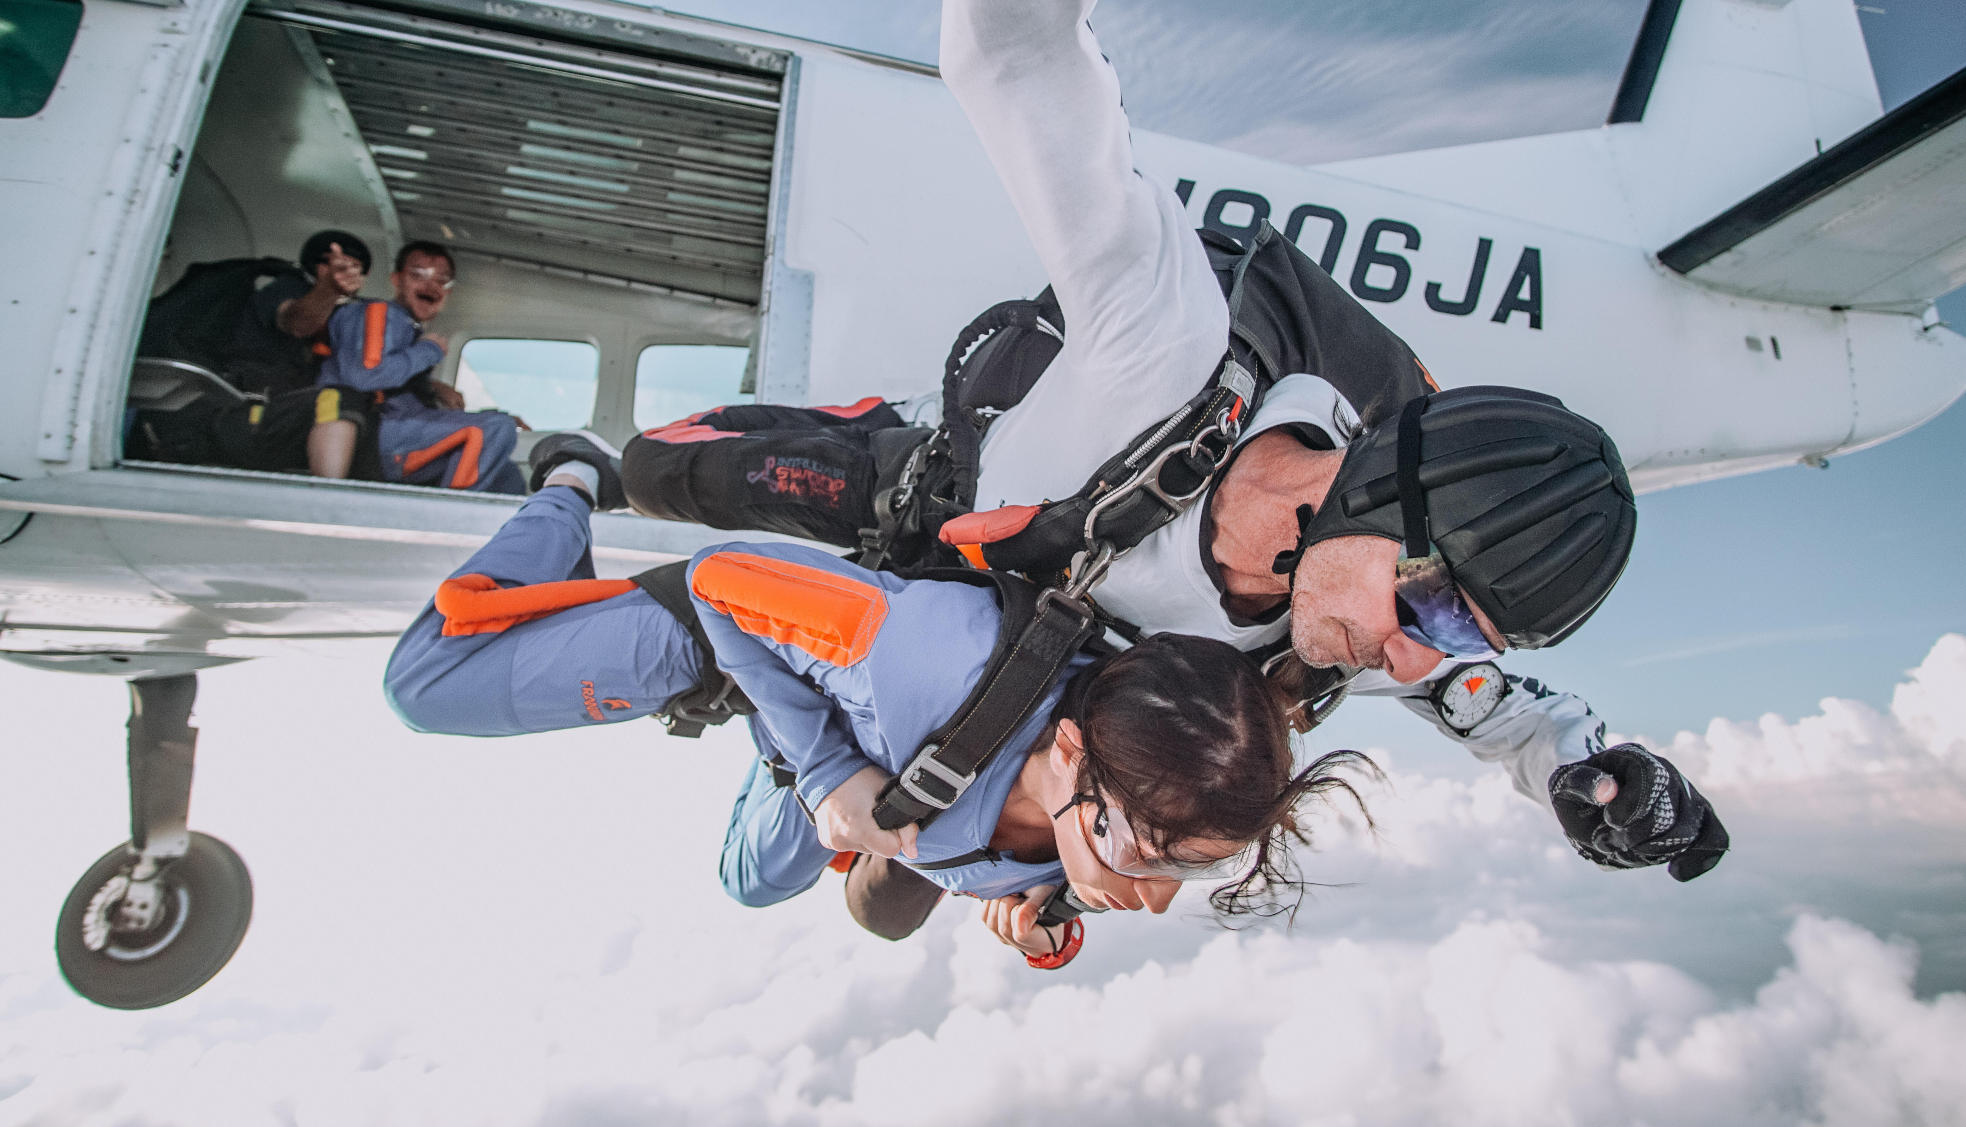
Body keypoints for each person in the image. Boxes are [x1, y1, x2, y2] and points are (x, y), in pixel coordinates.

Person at [615, 0, 1727, 898]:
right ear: (1391, 501)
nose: (1406, 664)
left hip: (952, 676)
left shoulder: (1347, 615)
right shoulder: (1170, 349)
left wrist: (1590, 776)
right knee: (651, 471)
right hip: (915, 503)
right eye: (1432, 616)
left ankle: (782, 726)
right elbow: (1012, 54)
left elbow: (1503, 706)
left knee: (818, 880)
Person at [382, 443, 1371, 963]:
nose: (1149, 897)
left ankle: (786, 734)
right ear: (1066, 754)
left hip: (848, 727)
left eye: (1191, 869)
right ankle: (568, 483)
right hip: (730, 634)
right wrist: (825, 767)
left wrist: (1044, 925)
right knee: (425, 689)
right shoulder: (925, 655)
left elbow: (1075, 858)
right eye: (1150, 858)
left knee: (754, 879)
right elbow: (727, 574)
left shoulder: (1112, 806)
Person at [308, 241, 525, 493]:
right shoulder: (378, 312)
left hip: (403, 429)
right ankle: (450, 517)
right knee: (495, 428)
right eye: (418, 275)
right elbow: (365, 376)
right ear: (397, 280)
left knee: (507, 475)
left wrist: (436, 389)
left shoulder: (407, 326)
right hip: (372, 435)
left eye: (442, 280)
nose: (431, 286)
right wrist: (428, 350)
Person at [221, 230, 372, 398]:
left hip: (303, 397)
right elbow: (298, 324)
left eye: (354, 268)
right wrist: (331, 289)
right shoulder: (289, 286)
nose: (346, 273)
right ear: (319, 267)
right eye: (338, 266)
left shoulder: (356, 309)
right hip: (251, 392)